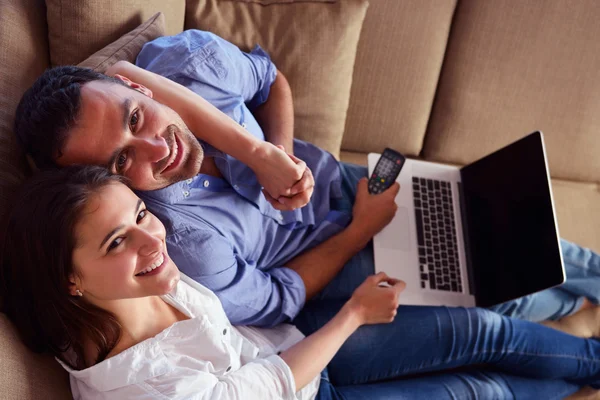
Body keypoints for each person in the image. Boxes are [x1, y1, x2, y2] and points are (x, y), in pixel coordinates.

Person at [13, 31, 600, 339]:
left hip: (338, 179)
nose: (153, 150)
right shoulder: (177, 243)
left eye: (135, 119)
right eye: (120, 164)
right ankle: (573, 301)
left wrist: (281, 157)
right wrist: (360, 231)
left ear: (138, 87)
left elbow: (271, 82)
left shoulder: (188, 62)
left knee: (500, 211)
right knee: (505, 288)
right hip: (324, 265)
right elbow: (275, 301)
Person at [2, 165, 600, 400]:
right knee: (482, 391)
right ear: (69, 281)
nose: (151, 239)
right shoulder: (139, 388)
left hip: (294, 344)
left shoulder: (150, 278)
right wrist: (354, 316)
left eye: (138, 214)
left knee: (480, 327)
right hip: (299, 387)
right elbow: (266, 386)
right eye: (116, 242)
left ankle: (591, 357)